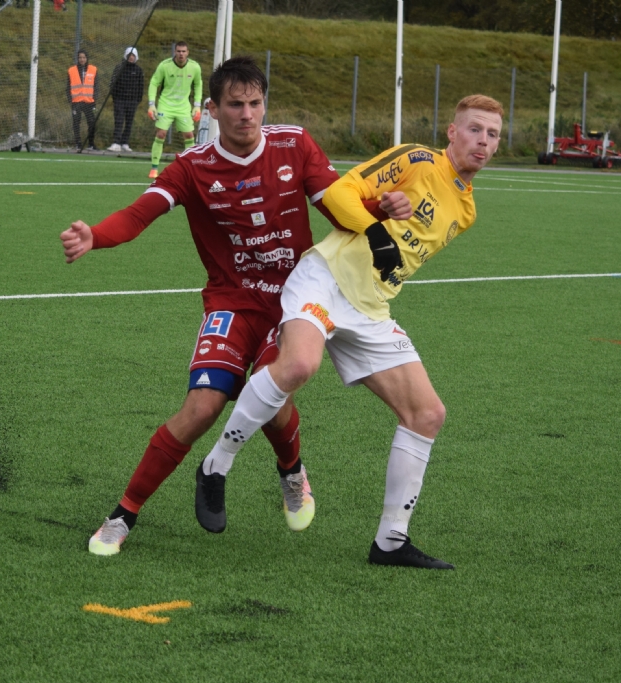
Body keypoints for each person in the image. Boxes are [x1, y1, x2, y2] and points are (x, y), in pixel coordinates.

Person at [59, 56, 411, 556]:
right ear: (213, 109)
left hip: (293, 301)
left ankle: (291, 470)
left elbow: (336, 205)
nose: (247, 114)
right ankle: (123, 515)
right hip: (230, 300)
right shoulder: (193, 166)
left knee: (273, 396)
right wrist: (96, 235)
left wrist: (380, 208)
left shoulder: (294, 144)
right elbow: (140, 214)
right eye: (235, 105)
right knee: (201, 407)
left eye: (255, 103)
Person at [193, 94, 505, 570]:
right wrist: (377, 226)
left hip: (370, 307)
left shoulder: (466, 211)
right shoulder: (418, 160)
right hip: (325, 279)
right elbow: (340, 193)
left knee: (427, 414)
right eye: (474, 129)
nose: (482, 141)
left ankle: (391, 542)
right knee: (299, 364)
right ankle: (217, 464)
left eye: (493, 134)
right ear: (452, 132)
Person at [146, 41, 201, 179]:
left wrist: (197, 105)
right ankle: (154, 168)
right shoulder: (164, 66)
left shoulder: (194, 67)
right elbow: (154, 82)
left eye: (184, 51)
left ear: (188, 52)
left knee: (189, 135)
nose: (181, 54)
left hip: (183, 106)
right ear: (175, 52)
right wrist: (152, 104)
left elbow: (198, 85)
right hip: (166, 104)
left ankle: (191, 168)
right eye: (179, 51)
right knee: (161, 134)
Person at [108, 47, 145, 153]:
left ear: (136, 57)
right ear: (126, 56)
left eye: (133, 55)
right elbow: (113, 83)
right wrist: (115, 98)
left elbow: (141, 86)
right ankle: (116, 143)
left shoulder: (138, 70)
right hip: (120, 100)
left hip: (132, 101)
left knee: (129, 122)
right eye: (129, 55)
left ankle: (125, 143)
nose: (131, 57)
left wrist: (137, 100)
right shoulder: (119, 68)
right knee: (119, 121)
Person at [67, 50, 97, 153]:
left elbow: (96, 86)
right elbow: (68, 86)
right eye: (80, 57)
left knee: (92, 122)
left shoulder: (93, 69)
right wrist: (70, 99)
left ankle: (91, 144)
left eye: (84, 57)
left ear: (87, 58)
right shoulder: (72, 70)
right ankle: (78, 143)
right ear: (77, 58)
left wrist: (94, 98)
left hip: (89, 101)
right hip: (76, 101)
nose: (82, 59)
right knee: (76, 122)